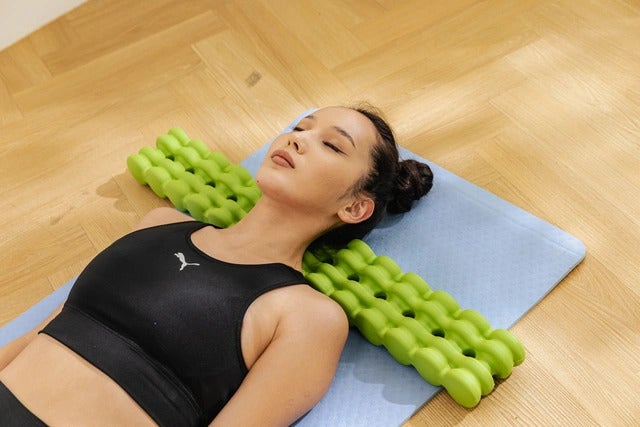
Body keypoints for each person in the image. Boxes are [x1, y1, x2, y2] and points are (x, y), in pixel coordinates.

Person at [0, 105, 433, 426]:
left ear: (355, 207)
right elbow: (43, 332)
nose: (296, 139)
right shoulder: (159, 223)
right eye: (300, 128)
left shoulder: (308, 315)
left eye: (332, 145)